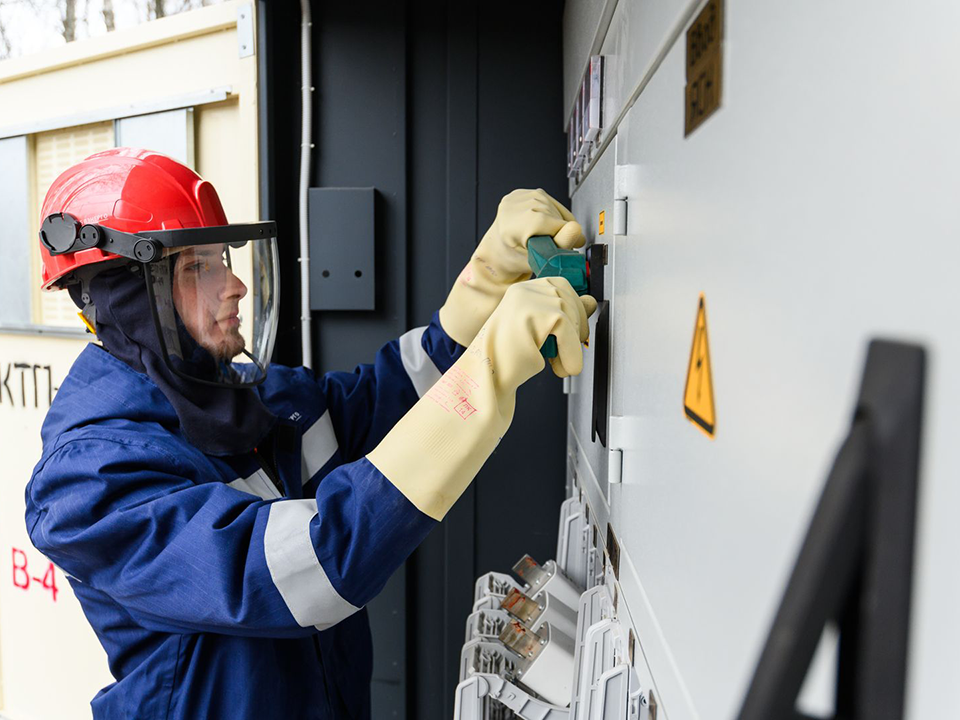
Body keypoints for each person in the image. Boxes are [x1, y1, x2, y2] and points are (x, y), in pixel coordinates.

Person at [25, 147, 596, 719]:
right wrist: (486, 375)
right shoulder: (91, 484)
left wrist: (481, 295)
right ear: (128, 302)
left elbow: (385, 400)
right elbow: (311, 566)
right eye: (197, 267)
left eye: (223, 257)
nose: (235, 286)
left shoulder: (256, 399)